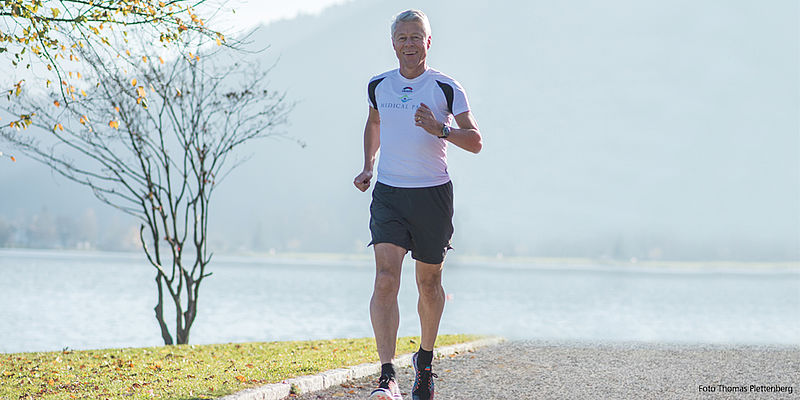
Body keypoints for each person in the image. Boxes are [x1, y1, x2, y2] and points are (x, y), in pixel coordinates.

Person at [353, 9, 483, 400]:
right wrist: (367, 166)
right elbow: (374, 123)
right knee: (385, 278)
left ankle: (423, 363)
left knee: (429, 283)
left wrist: (440, 129)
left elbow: (476, 141)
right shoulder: (379, 85)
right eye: (402, 38)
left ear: (428, 42)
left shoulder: (445, 88)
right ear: (393, 43)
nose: (409, 44)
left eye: (416, 37)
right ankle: (387, 375)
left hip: (432, 195)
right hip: (390, 195)